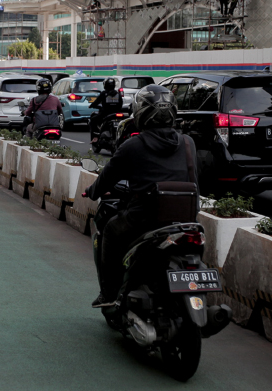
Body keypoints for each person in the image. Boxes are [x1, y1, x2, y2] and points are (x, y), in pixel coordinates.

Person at [83, 85, 197, 307]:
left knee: (109, 232)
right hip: (186, 220)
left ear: (140, 113)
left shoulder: (132, 145)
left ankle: (108, 293)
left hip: (144, 219)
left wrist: (91, 191)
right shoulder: (188, 143)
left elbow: (107, 178)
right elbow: (194, 180)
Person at [89, 78, 123, 144]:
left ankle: (95, 137)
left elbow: (96, 102)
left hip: (105, 114)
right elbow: (121, 104)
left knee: (93, 120)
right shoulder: (118, 94)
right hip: (116, 113)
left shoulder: (104, 93)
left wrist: (91, 106)